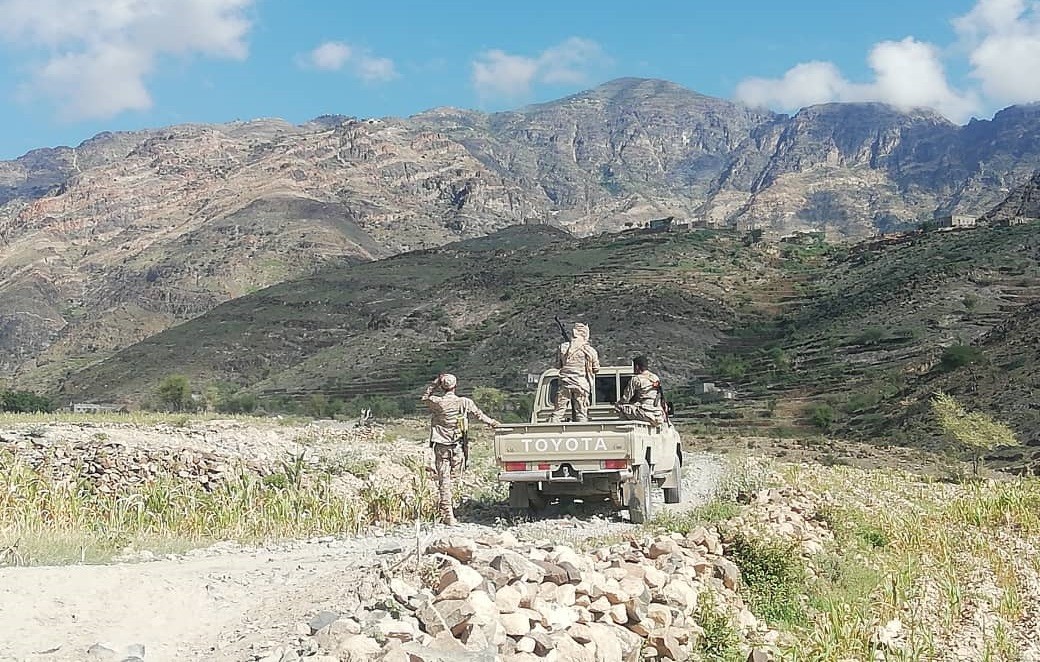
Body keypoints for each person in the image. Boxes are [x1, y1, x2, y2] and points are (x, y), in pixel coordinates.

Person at [421, 373, 499, 526]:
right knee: (454, 479)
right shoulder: (464, 402)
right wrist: (494, 423)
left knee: (444, 481)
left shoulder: (437, 402)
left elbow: (424, 397)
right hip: (457, 446)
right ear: (455, 386)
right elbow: (480, 415)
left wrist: (434, 383)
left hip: (441, 447)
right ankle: (455, 508)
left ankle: (448, 514)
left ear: (443, 387)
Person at [550, 322, 601, 422]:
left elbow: (558, 365)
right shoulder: (590, 350)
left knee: (558, 412)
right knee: (581, 413)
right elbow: (596, 369)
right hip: (581, 384)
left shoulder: (563, 348)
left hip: (565, 383)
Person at [615, 355, 665, 426]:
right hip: (657, 413)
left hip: (645, 413)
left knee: (619, 407)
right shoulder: (655, 377)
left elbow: (626, 398)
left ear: (637, 367)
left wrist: (618, 403)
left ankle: (625, 428)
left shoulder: (636, 379)